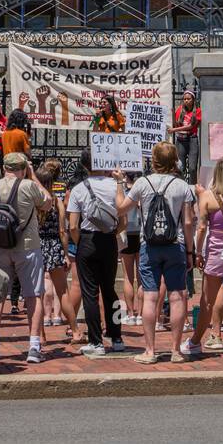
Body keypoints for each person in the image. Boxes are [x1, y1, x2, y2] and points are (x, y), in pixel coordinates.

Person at [116, 141, 196, 364]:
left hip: (149, 245)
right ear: (174, 161)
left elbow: (121, 207)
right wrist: (190, 251)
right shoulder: (183, 186)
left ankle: (150, 350)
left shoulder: (143, 182)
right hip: (175, 244)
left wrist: (119, 182)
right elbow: (188, 222)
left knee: (150, 296)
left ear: (154, 160)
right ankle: (176, 351)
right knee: (178, 295)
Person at [0, 152, 52, 363]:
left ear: (5, 168)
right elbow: (47, 202)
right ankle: (33, 346)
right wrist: (33, 175)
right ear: (23, 168)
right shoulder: (28, 185)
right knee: (33, 295)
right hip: (27, 246)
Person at [67, 151, 124, 358]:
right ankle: (117, 337)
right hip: (109, 240)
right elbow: (123, 219)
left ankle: (96, 341)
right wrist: (111, 234)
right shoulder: (114, 185)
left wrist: (79, 242)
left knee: (90, 293)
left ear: (83, 166)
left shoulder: (78, 189)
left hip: (87, 240)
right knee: (110, 290)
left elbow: (73, 225)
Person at [188, 157, 223, 355]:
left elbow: (202, 227)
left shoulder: (208, 197)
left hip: (216, 248)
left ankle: (196, 340)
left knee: (207, 299)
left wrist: (198, 251)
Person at [35, 162, 83, 344]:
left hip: (37, 245)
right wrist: (64, 252)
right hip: (54, 245)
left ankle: (40, 334)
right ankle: (75, 330)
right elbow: (63, 231)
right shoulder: (56, 202)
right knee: (62, 291)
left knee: (36, 292)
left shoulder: (34, 202)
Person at [119, 171, 143, 325]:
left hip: (126, 233)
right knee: (141, 276)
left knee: (128, 276)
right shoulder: (141, 190)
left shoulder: (123, 191)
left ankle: (130, 313)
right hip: (140, 233)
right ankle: (140, 314)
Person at [169, 90, 201, 182]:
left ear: (193, 100)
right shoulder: (179, 110)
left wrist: (174, 130)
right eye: (185, 99)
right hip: (180, 140)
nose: (186, 100)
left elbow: (191, 126)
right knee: (180, 167)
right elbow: (175, 125)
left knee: (192, 168)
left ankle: (193, 186)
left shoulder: (197, 111)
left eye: (188, 99)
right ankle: (182, 186)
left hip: (192, 139)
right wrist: (173, 115)